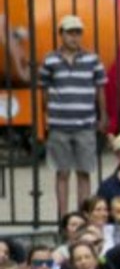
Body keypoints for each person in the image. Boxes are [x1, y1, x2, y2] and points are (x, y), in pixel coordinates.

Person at [39, 15, 107, 216]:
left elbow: (99, 89)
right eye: (70, 32)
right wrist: (46, 116)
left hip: (85, 124)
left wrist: (103, 116)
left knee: (84, 172)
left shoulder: (92, 59)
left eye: (77, 32)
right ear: (61, 34)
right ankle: (63, 218)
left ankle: (82, 215)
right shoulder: (50, 60)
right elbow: (44, 90)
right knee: (62, 173)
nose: (74, 37)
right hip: (59, 125)